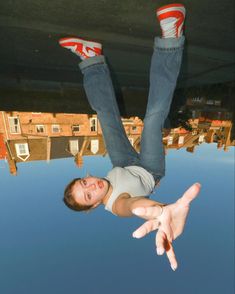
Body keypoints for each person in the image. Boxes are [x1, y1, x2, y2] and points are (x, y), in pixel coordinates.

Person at [59, 3, 201, 271]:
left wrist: (120, 170)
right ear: (93, 207)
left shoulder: (103, 180)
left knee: (105, 116)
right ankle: (171, 38)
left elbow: (111, 175)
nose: (92, 187)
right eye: (88, 196)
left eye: (84, 182)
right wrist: (160, 211)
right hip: (150, 170)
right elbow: (134, 206)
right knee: (153, 118)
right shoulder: (116, 205)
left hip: (122, 163)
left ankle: (91, 58)